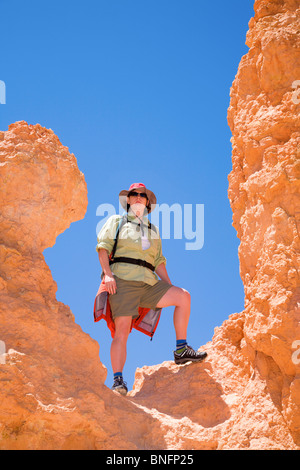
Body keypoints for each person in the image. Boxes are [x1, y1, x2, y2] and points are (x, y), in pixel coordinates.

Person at [96, 183, 207, 395]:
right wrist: (108, 274)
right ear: (128, 200)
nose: (138, 198)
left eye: (142, 195)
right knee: (121, 332)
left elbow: (158, 262)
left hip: (149, 283)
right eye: (134, 195)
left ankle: (182, 349)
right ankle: (118, 380)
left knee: (183, 297)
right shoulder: (116, 222)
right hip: (123, 280)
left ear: (147, 202)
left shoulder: (152, 230)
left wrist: (169, 285)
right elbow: (103, 248)